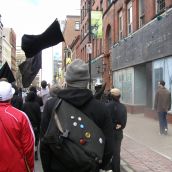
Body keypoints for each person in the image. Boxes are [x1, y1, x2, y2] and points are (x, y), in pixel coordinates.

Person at [40, 59, 113, 172]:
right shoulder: (101, 109)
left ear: (67, 80)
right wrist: (96, 166)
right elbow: (108, 148)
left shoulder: (52, 105)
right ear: (87, 80)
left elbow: (45, 144)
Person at [0, 81, 35, 171]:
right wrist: (30, 168)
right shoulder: (20, 116)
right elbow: (29, 147)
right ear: (11, 96)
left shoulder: (20, 116)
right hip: (15, 167)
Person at [106, 88, 127, 172]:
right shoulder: (123, 107)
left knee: (108, 152)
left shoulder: (106, 106)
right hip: (118, 133)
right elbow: (124, 123)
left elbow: (105, 121)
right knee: (117, 153)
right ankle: (116, 170)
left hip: (108, 133)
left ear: (111, 96)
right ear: (119, 96)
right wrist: (118, 126)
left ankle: (108, 168)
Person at [22, 91, 41, 160]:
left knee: (27, 140)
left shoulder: (24, 105)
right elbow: (39, 116)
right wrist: (39, 126)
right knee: (35, 140)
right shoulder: (36, 105)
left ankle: (27, 153)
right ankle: (35, 153)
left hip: (27, 126)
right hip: (35, 126)